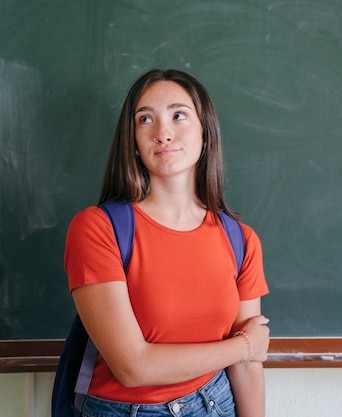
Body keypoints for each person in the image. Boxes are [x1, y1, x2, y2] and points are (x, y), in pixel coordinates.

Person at [64, 69, 270, 417]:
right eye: (146, 119)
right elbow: (134, 367)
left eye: (179, 115)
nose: (163, 133)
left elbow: (248, 368)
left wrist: (245, 352)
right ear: (133, 139)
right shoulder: (97, 229)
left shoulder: (241, 240)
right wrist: (244, 346)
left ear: (205, 133)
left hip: (214, 404)